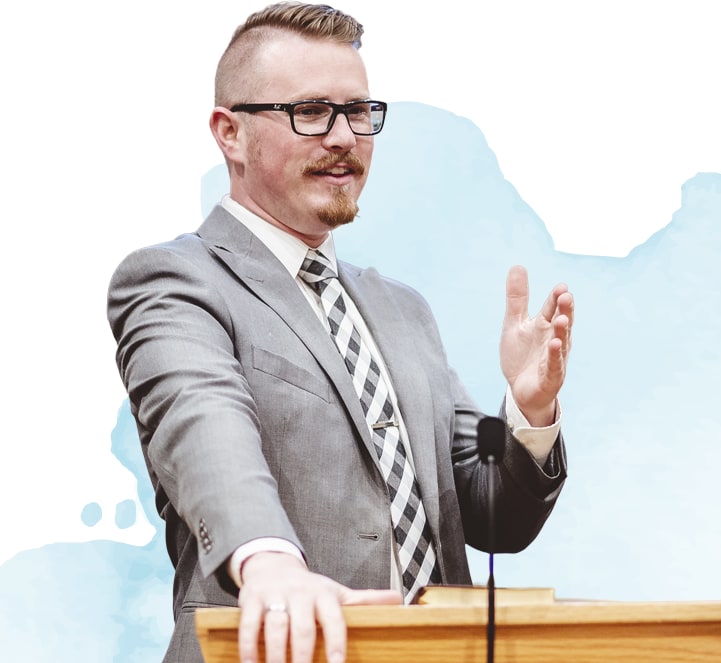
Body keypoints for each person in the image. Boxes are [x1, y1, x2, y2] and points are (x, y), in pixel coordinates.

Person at [106, 3, 574, 662]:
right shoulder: (175, 282)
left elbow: (496, 516)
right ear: (229, 133)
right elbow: (202, 420)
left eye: (358, 112)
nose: (343, 137)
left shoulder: (402, 309)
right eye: (310, 112)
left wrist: (529, 411)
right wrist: (268, 560)